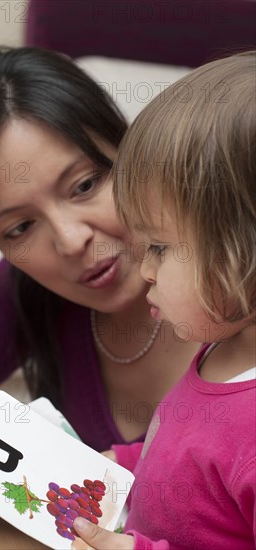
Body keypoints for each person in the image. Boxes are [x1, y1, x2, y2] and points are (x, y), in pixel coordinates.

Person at [0, 47, 198, 448]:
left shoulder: (232, 266)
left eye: (85, 185)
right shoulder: (25, 288)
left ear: (129, 150)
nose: (72, 240)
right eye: (20, 227)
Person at [73, 50, 256, 548]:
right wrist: (126, 466)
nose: (144, 270)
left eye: (158, 247)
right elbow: (190, 464)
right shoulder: (221, 348)